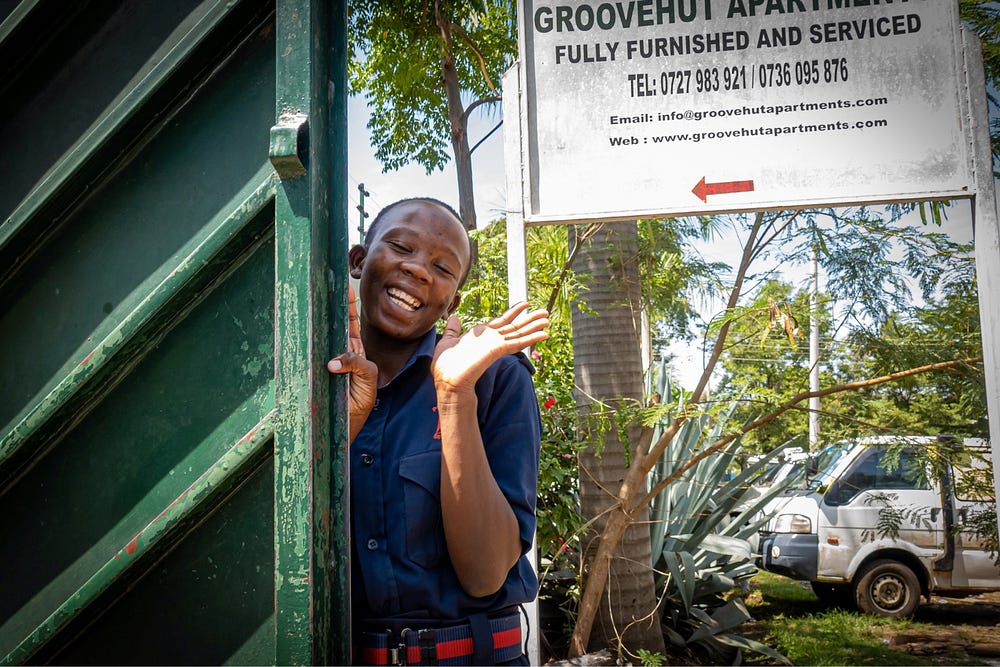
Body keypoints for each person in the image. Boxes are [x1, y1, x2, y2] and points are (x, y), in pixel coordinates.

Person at [327, 197, 549, 666]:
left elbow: (486, 574)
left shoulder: (496, 379)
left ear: (453, 300)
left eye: (442, 267)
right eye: (401, 246)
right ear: (359, 260)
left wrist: (453, 397)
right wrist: (337, 434)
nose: (419, 270)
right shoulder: (314, 379)